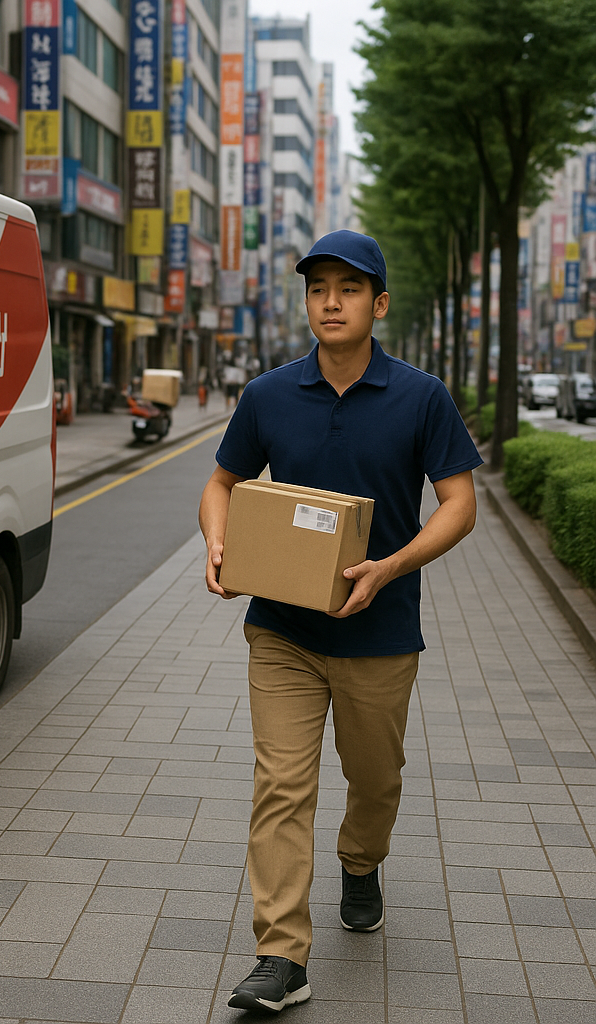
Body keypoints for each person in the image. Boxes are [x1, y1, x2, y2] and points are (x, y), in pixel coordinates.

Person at [198, 230, 482, 1015]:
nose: (331, 300)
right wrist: (218, 542)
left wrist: (390, 566)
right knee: (282, 786)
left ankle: (362, 861)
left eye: (349, 288)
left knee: (374, 779)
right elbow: (221, 483)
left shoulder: (422, 396)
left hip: (381, 633)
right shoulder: (268, 395)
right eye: (319, 287)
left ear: (378, 304)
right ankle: (281, 955)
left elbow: (460, 505)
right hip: (282, 630)